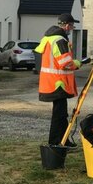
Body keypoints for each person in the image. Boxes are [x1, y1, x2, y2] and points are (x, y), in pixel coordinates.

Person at [35, 13, 82, 147]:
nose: (72, 29)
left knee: (61, 114)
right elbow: (66, 64)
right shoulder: (59, 40)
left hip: (50, 83)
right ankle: (56, 142)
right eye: (72, 26)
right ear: (67, 25)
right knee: (59, 115)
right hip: (58, 84)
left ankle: (63, 140)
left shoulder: (48, 38)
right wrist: (78, 63)